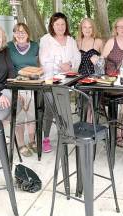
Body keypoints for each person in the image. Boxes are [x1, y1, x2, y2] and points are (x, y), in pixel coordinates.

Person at [39, 12, 81, 153]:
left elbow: (77, 57)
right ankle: (45, 138)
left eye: (63, 24)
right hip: (50, 79)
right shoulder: (46, 39)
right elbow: (43, 60)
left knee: (64, 107)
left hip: (66, 81)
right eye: (57, 24)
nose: (60, 27)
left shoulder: (70, 40)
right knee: (50, 108)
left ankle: (65, 134)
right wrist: (59, 64)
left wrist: (69, 64)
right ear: (52, 25)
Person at [102, 17, 123, 147]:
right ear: (115, 29)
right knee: (116, 107)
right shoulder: (111, 42)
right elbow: (101, 60)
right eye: (120, 26)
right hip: (112, 82)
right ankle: (117, 135)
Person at [7, 23, 39, 157]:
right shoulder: (8, 47)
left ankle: (32, 141)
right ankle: (21, 143)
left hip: (33, 83)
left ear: (28, 33)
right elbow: (7, 66)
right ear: (14, 34)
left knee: (32, 114)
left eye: (23, 32)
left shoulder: (35, 46)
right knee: (19, 115)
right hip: (17, 84)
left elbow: (39, 63)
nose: (20, 34)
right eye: (17, 32)